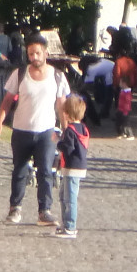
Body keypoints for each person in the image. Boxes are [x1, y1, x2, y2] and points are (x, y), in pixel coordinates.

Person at [0, 35, 70, 227]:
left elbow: (62, 106)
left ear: (45, 53)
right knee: (19, 170)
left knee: (45, 171)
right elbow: (8, 100)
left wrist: (67, 129)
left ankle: (45, 211)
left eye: (37, 53)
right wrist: (0, 121)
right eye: (30, 54)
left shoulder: (57, 76)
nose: (34, 57)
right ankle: (15, 208)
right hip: (21, 129)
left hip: (46, 131)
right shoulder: (19, 74)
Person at [53, 94, 88, 239]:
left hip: (71, 168)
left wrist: (58, 141)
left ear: (67, 114)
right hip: (79, 167)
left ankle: (70, 226)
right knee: (64, 195)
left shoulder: (69, 131)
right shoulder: (83, 128)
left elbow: (67, 148)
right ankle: (65, 223)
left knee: (70, 198)